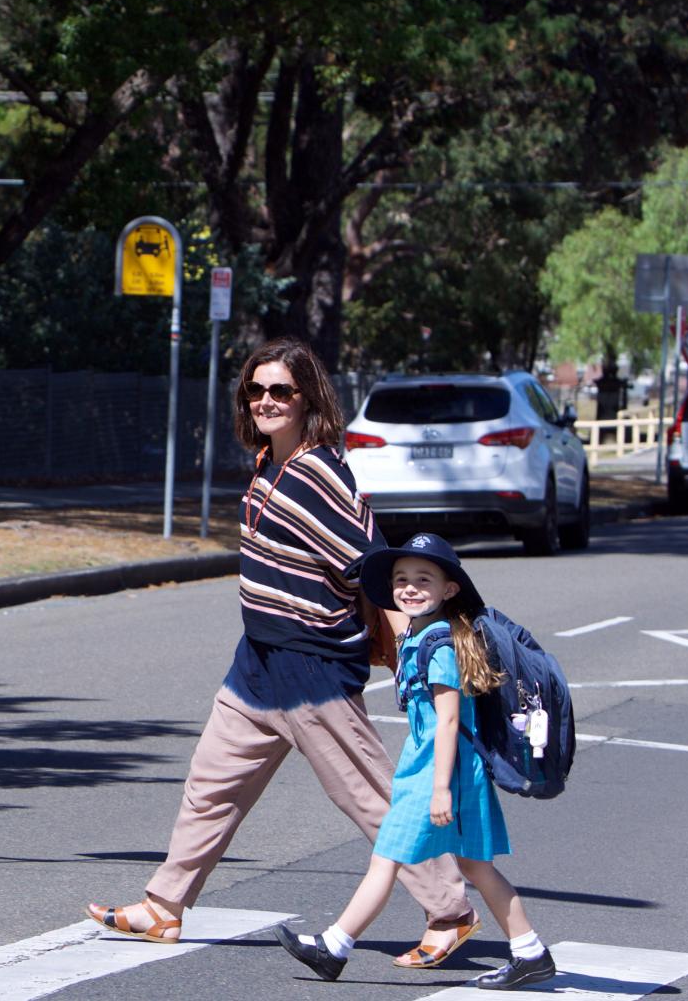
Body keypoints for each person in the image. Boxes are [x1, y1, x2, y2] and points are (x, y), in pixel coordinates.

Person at [84, 338, 476, 962]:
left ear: (307, 400)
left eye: (281, 391)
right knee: (211, 785)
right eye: (256, 390)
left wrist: (416, 643)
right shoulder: (270, 462)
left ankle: (450, 911)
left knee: (370, 797)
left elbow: (371, 567)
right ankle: (165, 906)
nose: (266, 401)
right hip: (259, 661)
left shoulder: (319, 473)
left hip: (312, 666)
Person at [275, 533, 555, 991]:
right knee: (475, 867)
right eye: (401, 579)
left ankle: (333, 947)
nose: (409, 587)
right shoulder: (421, 635)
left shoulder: (440, 647)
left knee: (386, 859)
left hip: (438, 773)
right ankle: (530, 952)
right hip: (433, 770)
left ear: (449, 589)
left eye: (423, 579)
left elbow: (448, 723)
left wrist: (441, 787)